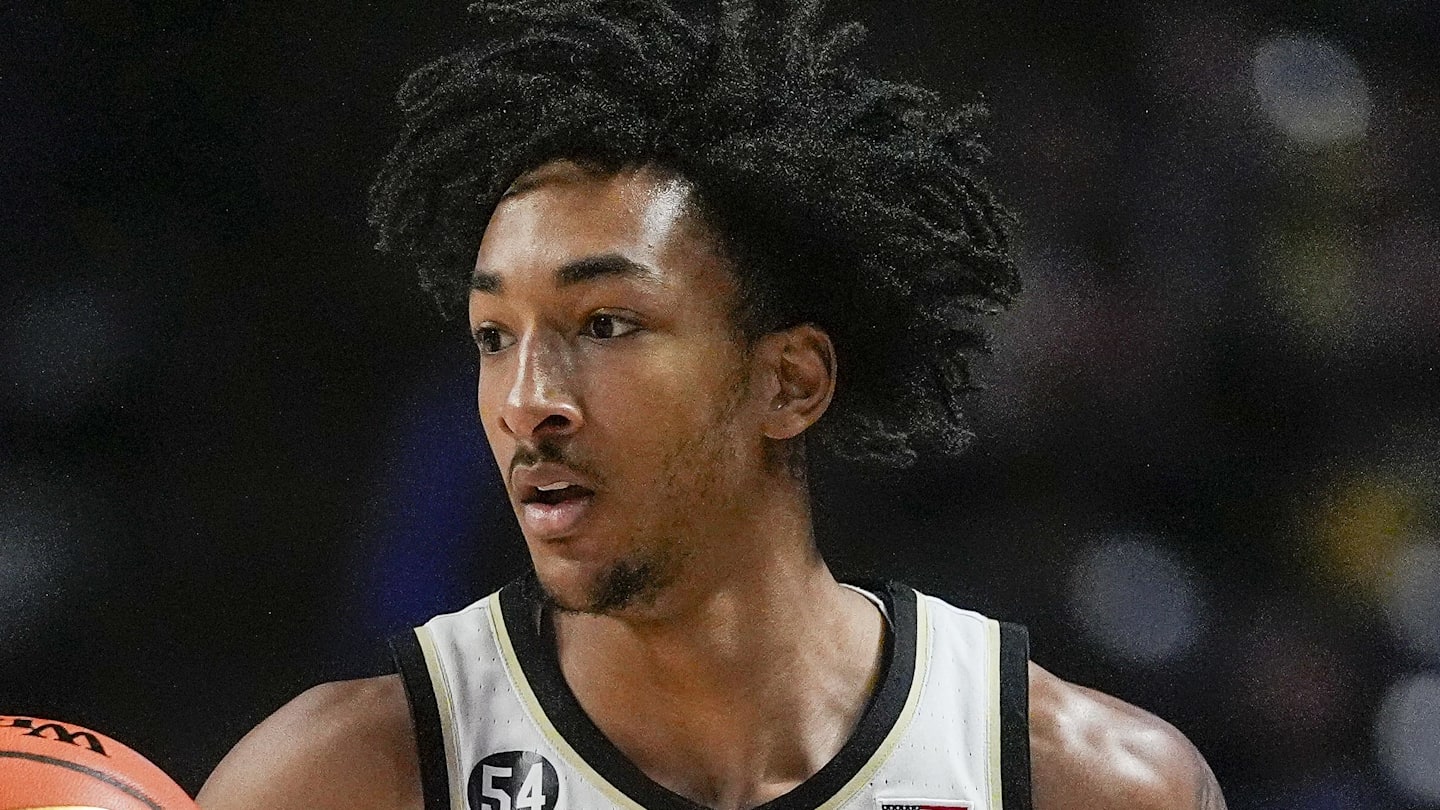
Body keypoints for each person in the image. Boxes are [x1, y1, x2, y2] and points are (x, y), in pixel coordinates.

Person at [198, 2, 1226, 809]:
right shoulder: (347, 778)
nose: (528, 401)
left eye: (606, 324)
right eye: (494, 336)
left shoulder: (1083, 784)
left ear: (790, 382)